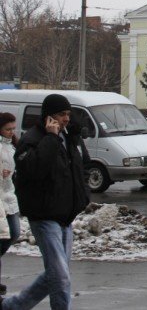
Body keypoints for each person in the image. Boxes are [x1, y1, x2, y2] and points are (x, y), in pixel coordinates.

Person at [3, 94, 90, 310]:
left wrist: (82, 195)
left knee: (57, 273)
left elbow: (82, 166)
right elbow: (34, 169)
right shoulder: (32, 139)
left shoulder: (68, 137)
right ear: (49, 117)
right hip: (44, 217)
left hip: (65, 217)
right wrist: (51, 138)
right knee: (60, 277)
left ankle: (14, 306)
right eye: (62, 114)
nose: (66, 119)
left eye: (68, 114)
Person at [0, 113, 20, 296]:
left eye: (13, 128)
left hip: (10, 196)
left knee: (14, 233)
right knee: (3, 237)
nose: (11, 132)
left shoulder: (14, 146)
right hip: (0, 198)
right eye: (7, 129)